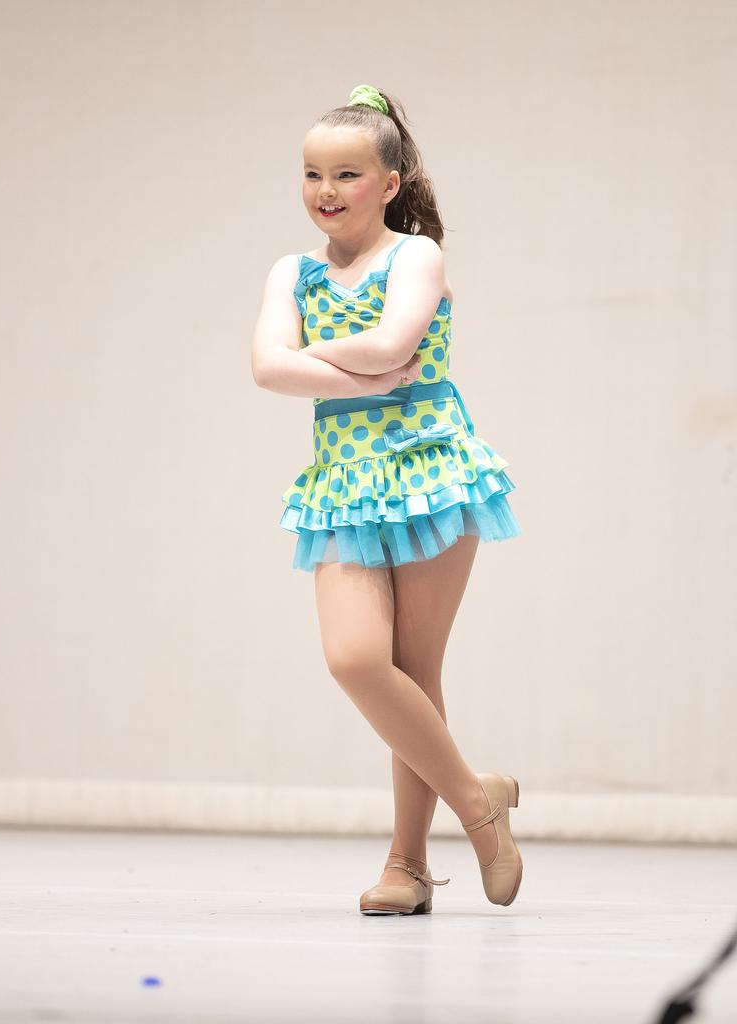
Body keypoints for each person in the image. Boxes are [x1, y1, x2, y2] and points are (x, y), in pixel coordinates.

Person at [251, 84, 524, 914]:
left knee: (413, 669)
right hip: (342, 484)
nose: (325, 191)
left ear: (391, 182)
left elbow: (393, 344)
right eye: (311, 174)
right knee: (357, 660)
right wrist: (362, 363)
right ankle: (481, 804)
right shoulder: (289, 270)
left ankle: (407, 867)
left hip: (430, 470)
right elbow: (267, 367)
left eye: (346, 174)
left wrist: (326, 360)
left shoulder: (417, 257)